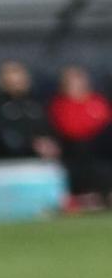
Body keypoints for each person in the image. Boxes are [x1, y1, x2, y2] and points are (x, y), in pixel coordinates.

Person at [45, 64, 110, 208]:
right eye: (72, 82)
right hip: (73, 152)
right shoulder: (60, 105)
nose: (77, 85)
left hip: (101, 151)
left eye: (79, 81)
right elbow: (70, 129)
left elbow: (105, 123)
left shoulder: (97, 101)